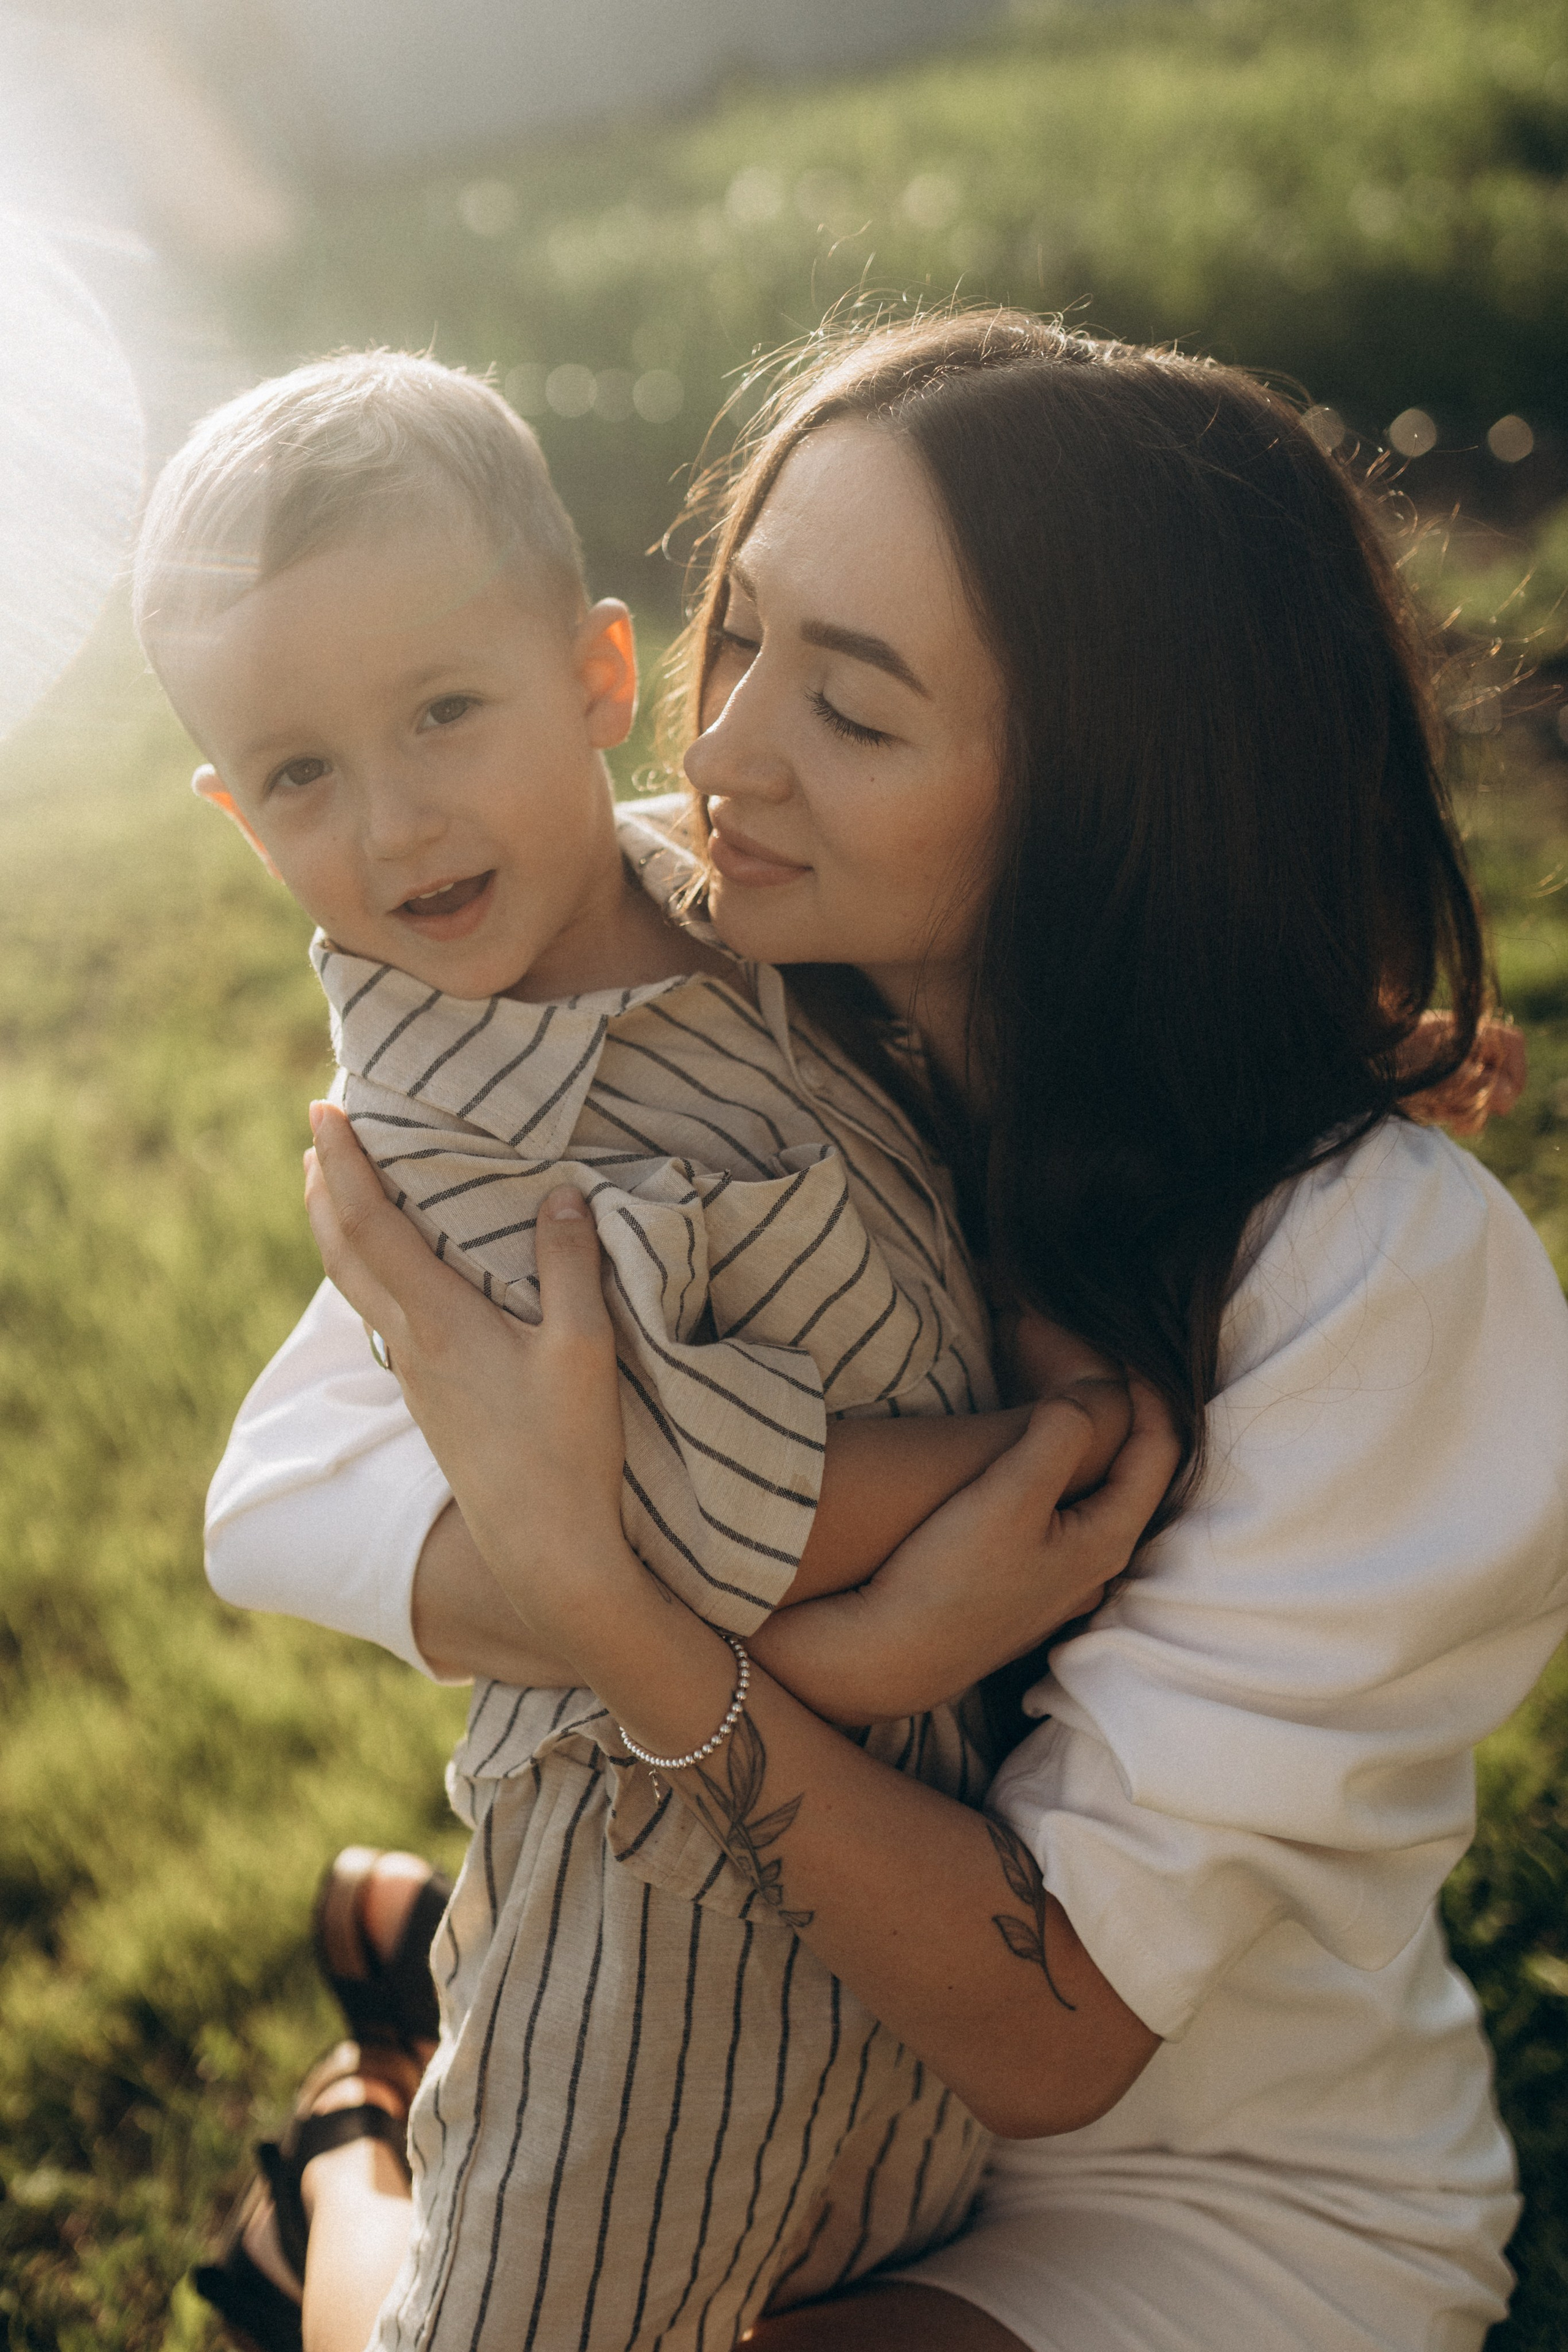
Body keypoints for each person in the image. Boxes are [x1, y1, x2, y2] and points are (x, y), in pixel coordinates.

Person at [253, 309, 1565, 2352]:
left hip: (1175, 2192)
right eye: (743, 630)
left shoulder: (1378, 1279)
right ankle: (402, 2065)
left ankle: (354, 2159)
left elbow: (1055, 2036)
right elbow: (287, 1491)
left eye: (853, 715)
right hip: (746, 2024)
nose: (718, 755)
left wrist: (612, 1602)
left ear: (1111, 799)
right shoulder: (714, 996)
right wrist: (856, 1641)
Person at [135, 350, 1137, 2352]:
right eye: (304, 776)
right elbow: (672, 1514)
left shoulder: (725, 896)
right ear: (232, 817)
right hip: (647, 1923)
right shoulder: (454, 1131)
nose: (400, 817)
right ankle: (343, 2179)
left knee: (843, 2251)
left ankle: (400, 1972)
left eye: (444, 711)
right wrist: (1026, 1451)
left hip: (904, 1865)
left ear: (600, 678)